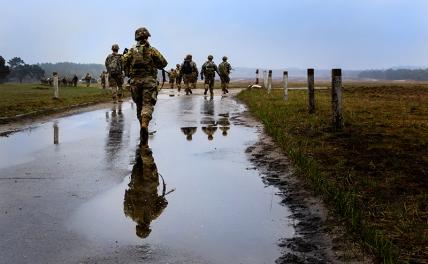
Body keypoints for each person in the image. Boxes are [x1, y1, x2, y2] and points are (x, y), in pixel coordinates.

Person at [123, 27, 167, 146]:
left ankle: (142, 126)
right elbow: (163, 63)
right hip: (149, 82)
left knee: (139, 105)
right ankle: (144, 124)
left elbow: (123, 64)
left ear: (136, 38)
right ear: (147, 37)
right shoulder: (152, 50)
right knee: (147, 104)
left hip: (135, 82)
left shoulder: (131, 51)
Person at [124, 147, 168, 239]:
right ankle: (141, 152)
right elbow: (126, 197)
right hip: (136, 183)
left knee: (150, 164)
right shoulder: (129, 213)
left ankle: (146, 152)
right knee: (138, 163)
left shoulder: (153, 215)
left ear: (147, 228)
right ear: (137, 227)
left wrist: (160, 199)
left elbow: (164, 203)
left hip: (150, 185)